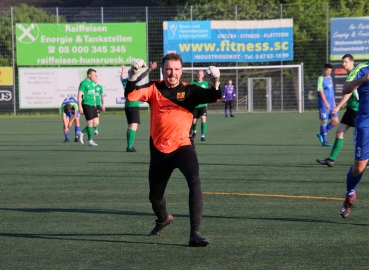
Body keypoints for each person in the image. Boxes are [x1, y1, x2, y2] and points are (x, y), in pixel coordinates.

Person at [124, 53, 222, 247]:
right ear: (163, 70)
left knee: (194, 180)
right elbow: (131, 94)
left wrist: (216, 81)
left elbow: (214, 96)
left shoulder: (190, 91)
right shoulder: (154, 88)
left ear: (181, 71)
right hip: (160, 152)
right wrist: (133, 75)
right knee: (155, 196)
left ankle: (195, 233)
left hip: (183, 147)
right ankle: (163, 219)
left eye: (176, 69)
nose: (172, 73)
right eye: (169, 69)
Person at [339, 61, 369, 218]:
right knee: (359, 168)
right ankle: (350, 194)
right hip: (365, 125)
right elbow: (345, 88)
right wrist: (362, 80)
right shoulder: (362, 69)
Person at [316, 54, 358, 167]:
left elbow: (351, 92)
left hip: (358, 110)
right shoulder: (350, 74)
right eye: (342, 62)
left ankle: (364, 161)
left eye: (345, 62)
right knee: (339, 132)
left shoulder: (355, 74)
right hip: (351, 109)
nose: (343, 64)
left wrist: (338, 106)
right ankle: (331, 160)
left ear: (351, 62)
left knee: (362, 137)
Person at [121, 62, 157, 152]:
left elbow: (121, 77)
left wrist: (123, 71)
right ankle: (129, 147)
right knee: (133, 126)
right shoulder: (132, 81)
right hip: (133, 104)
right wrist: (149, 69)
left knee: (130, 126)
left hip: (127, 105)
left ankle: (129, 145)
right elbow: (141, 76)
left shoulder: (124, 81)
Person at [316, 63, 339, 147]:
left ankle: (321, 133)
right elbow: (321, 92)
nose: (328, 72)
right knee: (324, 121)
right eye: (327, 70)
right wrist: (326, 103)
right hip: (323, 104)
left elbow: (332, 92)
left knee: (335, 121)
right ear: (324, 69)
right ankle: (324, 141)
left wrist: (334, 103)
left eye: (330, 71)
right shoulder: (320, 79)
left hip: (332, 104)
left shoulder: (330, 78)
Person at [77, 68, 99, 146]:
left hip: (93, 105)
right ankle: (90, 141)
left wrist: (95, 103)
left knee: (96, 122)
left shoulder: (93, 83)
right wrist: (80, 106)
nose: (95, 76)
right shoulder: (83, 83)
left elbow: (93, 94)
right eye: (93, 75)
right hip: (86, 105)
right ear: (89, 75)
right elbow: (79, 95)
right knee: (90, 123)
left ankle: (81, 132)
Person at [191, 70, 209, 141]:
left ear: (203, 75)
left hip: (203, 105)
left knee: (203, 119)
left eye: (201, 75)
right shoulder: (192, 82)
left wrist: (207, 104)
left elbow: (207, 95)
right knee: (194, 122)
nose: (199, 76)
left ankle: (203, 136)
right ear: (197, 75)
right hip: (195, 106)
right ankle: (194, 132)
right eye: (198, 74)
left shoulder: (205, 83)